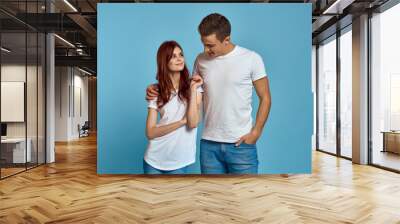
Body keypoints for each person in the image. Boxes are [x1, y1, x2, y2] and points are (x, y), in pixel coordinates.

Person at [147, 13, 271, 174]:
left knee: (245, 195)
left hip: (241, 146)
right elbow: (189, 89)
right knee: (211, 197)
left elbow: (266, 98)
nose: (206, 49)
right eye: (204, 44)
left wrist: (256, 132)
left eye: (210, 45)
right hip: (209, 146)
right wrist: (156, 87)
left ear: (226, 39)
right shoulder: (201, 60)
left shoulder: (252, 59)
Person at [144, 40, 203, 174]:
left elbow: (193, 123)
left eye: (180, 55)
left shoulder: (195, 87)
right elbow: (150, 132)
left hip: (180, 161)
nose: (179, 59)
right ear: (164, 61)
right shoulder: (156, 91)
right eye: (173, 56)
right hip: (153, 160)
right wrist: (181, 122)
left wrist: (193, 89)